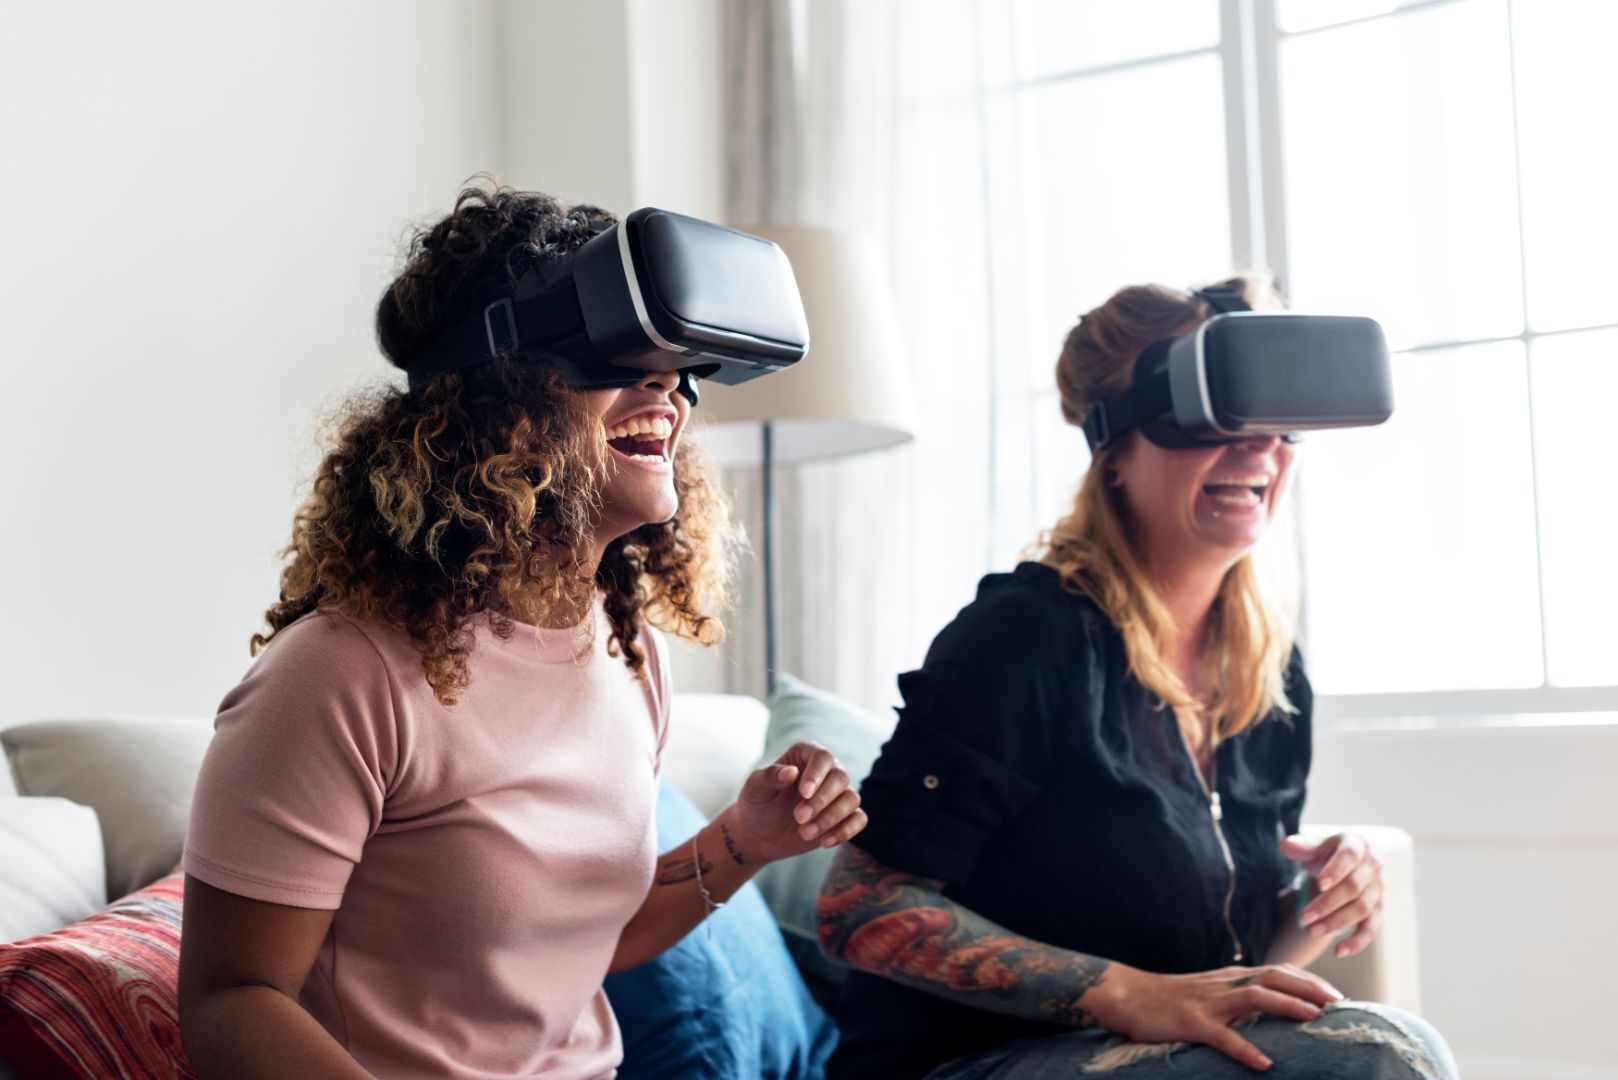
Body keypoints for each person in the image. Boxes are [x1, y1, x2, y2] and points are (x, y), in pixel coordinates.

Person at [177, 181, 867, 1080]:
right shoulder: (342, 675)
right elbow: (233, 1002)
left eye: (676, 363)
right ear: (489, 405)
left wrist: (746, 838)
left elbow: (587, 944)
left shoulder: (629, 655)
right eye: (619, 351)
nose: (667, 384)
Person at [815, 275, 1456, 1079]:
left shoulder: (1268, 669)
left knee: (1382, 1043)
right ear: (1115, 450)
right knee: (1376, 1058)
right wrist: (1128, 995)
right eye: (1214, 421)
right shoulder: (1027, 636)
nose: (1258, 448)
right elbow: (856, 908)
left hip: (1149, 1054)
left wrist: (1323, 897)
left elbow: (1236, 963)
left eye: (1280, 426)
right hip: (966, 1062)